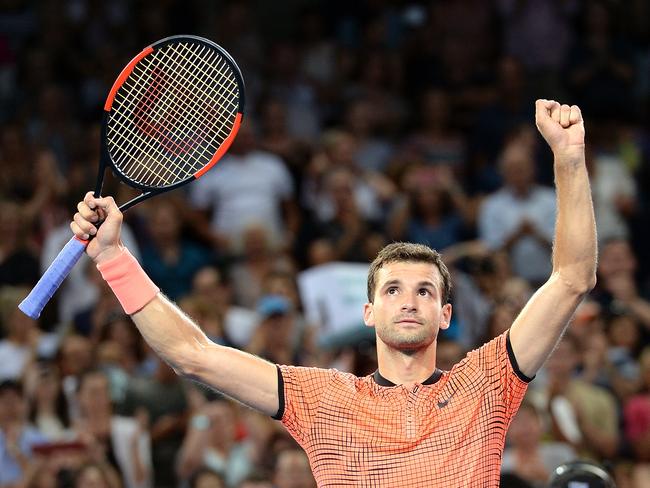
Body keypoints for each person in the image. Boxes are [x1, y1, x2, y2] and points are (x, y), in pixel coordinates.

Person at [68, 100, 596, 486]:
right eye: (392, 289)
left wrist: (569, 162)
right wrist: (114, 259)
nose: (409, 300)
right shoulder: (322, 399)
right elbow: (192, 356)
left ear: (445, 314)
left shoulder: (487, 383)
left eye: (424, 291)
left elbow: (572, 277)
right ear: (368, 312)